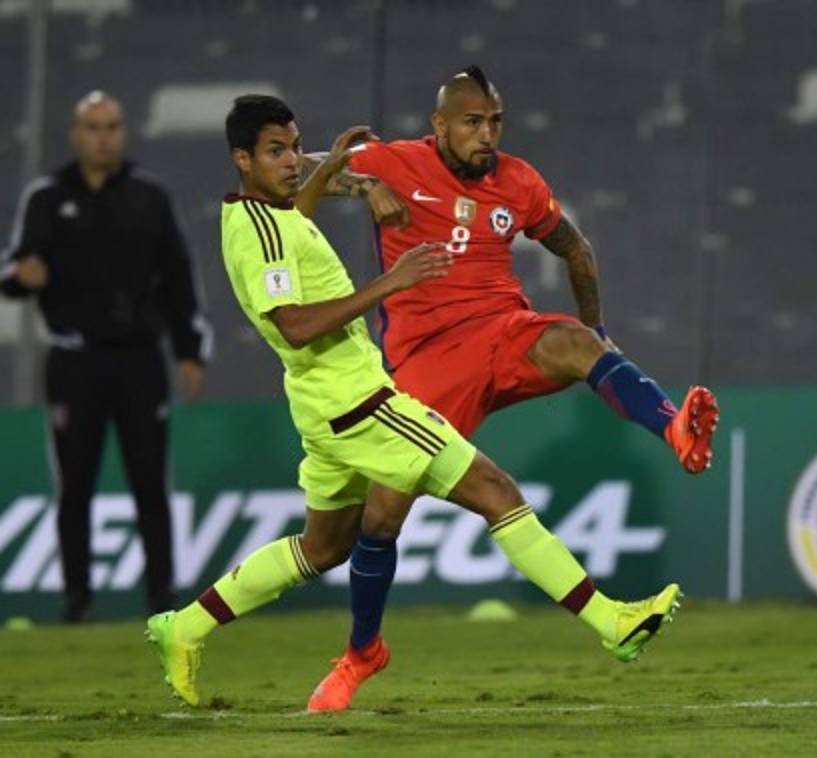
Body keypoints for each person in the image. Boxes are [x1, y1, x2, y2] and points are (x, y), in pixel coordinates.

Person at [144, 94, 681, 708]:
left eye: (294, 147)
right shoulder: (260, 233)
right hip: (359, 404)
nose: (291, 161)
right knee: (496, 492)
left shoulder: (265, 214)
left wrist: (329, 171)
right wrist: (390, 283)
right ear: (242, 159)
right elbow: (294, 325)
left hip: (322, 404)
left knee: (323, 547)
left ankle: (184, 627)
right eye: (275, 152)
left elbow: (295, 229)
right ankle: (611, 621)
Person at [302, 65, 717, 712]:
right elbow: (297, 173)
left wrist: (599, 333)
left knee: (577, 343)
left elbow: (576, 250)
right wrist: (363, 185)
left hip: (502, 331)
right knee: (380, 517)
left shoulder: (519, 182)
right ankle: (361, 655)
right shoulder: (393, 161)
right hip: (427, 359)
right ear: (439, 125)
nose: (487, 134)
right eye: (472, 123)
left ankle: (674, 429)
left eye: (495, 122)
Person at [0, 91, 211, 622]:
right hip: (74, 360)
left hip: (141, 358)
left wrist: (189, 351)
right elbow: (14, 269)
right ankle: (77, 598)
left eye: (112, 126)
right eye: (93, 127)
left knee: (150, 481)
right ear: (76, 134)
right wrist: (23, 277)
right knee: (74, 484)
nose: (103, 137)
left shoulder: (149, 196)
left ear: (123, 133)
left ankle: (162, 597)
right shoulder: (46, 196)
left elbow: (180, 277)